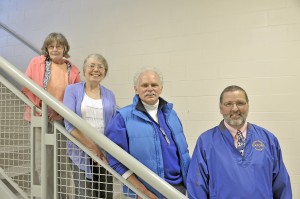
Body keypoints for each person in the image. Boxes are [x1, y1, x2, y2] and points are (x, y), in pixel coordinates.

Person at [186, 85, 292, 199]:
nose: (235, 109)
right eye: (228, 104)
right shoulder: (206, 142)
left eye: (240, 103)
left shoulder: (268, 140)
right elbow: (196, 188)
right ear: (220, 107)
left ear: (248, 105)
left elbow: (282, 186)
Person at [105, 67, 190, 199]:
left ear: (161, 88)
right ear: (136, 89)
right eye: (144, 85)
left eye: (154, 85)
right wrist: (141, 191)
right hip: (146, 193)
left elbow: (183, 153)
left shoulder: (171, 114)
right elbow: (115, 159)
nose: (150, 89)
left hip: (178, 189)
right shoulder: (123, 117)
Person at [22, 32, 81, 199]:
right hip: (40, 117)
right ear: (46, 49)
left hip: (60, 121)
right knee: (42, 164)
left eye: (59, 46)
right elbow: (26, 87)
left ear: (64, 48)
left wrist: (59, 115)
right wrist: (40, 107)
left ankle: (61, 196)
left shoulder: (72, 69)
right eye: (51, 46)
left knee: (61, 164)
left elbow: (76, 97)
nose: (55, 49)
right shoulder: (36, 63)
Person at [64, 53, 116, 199]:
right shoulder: (72, 90)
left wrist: (103, 151)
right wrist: (93, 149)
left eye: (100, 67)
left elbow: (113, 123)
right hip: (80, 149)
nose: (96, 69)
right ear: (84, 69)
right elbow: (69, 123)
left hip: (105, 152)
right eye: (91, 66)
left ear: (105, 72)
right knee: (85, 194)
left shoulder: (110, 94)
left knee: (105, 193)